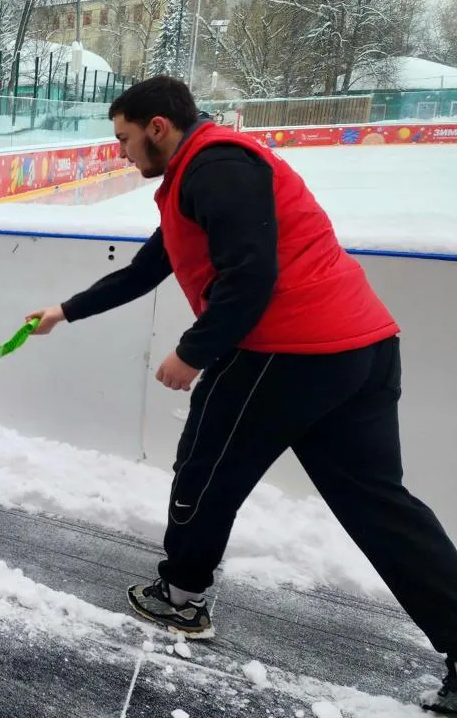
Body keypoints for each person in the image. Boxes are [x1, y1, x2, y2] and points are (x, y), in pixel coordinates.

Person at [25, 76, 457, 714]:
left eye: (123, 138)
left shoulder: (217, 169)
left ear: (158, 128)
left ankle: (182, 597)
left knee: (205, 468)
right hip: (359, 345)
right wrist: (66, 310)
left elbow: (252, 275)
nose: (119, 152)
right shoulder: (198, 176)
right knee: (378, 505)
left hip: (288, 351)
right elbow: (151, 267)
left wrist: (191, 353)